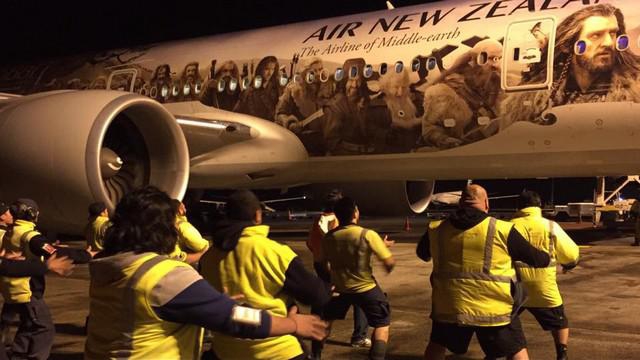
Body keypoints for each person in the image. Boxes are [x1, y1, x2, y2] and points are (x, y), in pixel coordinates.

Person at [84, 186, 328, 359]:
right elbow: (238, 319)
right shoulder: (163, 275)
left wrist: (212, 303)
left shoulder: (111, 268)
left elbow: (153, 312)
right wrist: (293, 324)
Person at [417, 185, 550, 360]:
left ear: (461, 203)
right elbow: (538, 260)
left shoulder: (436, 228)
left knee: (437, 344)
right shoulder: (502, 229)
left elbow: (423, 254)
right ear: (486, 203)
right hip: (493, 308)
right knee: (516, 349)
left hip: (449, 306)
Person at [199, 189, 330, 360]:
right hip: (276, 348)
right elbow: (316, 294)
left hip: (226, 350)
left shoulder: (209, 257)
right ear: (257, 215)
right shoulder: (272, 251)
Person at [500, 4, 640, 128]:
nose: (609, 43)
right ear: (568, 46)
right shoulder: (534, 100)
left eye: (613, 33)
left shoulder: (634, 90)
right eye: (596, 35)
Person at [0, 198, 93, 360]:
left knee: (29, 325)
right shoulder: (30, 235)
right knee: (44, 328)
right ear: (30, 214)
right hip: (27, 290)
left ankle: (18, 354)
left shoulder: (10, 232)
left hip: (12, 288)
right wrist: (86, 255)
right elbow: (53, 253)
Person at [318, 197, 395, 360]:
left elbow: (322, 264)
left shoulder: (329, 237)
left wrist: (332, 279)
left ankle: (315, 355)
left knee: (325, 323)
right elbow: (389, 262)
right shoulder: (367, 234)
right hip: (365, 288)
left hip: (340, 288)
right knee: (382, 324)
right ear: (355, 213)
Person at [510, 190, 579, 360]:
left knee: (505, 322)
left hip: (514, 287)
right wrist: (568, 265)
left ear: (519, 207)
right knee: (560, 321)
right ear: (539, 206)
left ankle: (510, 352)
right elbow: (571, 255)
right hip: (543, 288)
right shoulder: (550, 226)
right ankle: (561, 353)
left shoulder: (508, 225)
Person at [306, 190, 370, 355]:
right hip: (334, 267)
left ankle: (316, 339)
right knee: (359, 296)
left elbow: (309, 243)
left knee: (323, 299)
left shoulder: (318, 219)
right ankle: (359, 336)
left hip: (319, 263)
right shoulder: (335, 220)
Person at [420, 39, 503, 149]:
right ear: (473, 61)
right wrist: (444, 140)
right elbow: (430, 128)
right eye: (492, 58)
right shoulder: (443, 93)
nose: (496, 65)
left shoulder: (504, 86)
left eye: (500, 58)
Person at [234, 55, 281, 121]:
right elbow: (236, 113)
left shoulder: (278, 90)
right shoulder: (248, 92)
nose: (270, 73)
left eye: (272, 69)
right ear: (261, 69)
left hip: (272, 127)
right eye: (267, 69)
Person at [169, 199, 209, 264]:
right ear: (180, 210)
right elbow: (199, 245)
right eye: (183, 207)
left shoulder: (169, 224)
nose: (185, 209)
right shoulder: (183, 226)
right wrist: (207, 245)